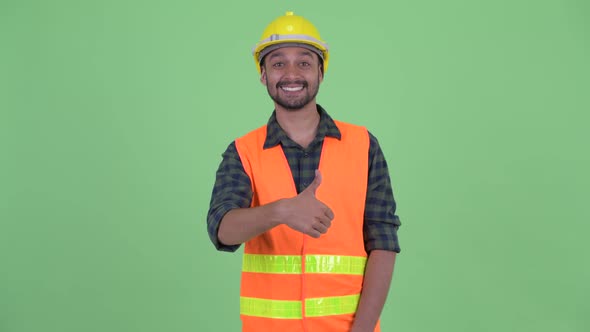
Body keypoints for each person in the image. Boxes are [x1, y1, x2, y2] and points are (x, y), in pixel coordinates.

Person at [207, 11, 402, 332]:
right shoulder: (242, 151)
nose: (291, 73)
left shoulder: (364, 144)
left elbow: (383, 240)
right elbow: (222, 231)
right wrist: (281, 211)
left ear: (321, 73)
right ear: (263, 75)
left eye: (305, 62)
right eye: (278, 63)